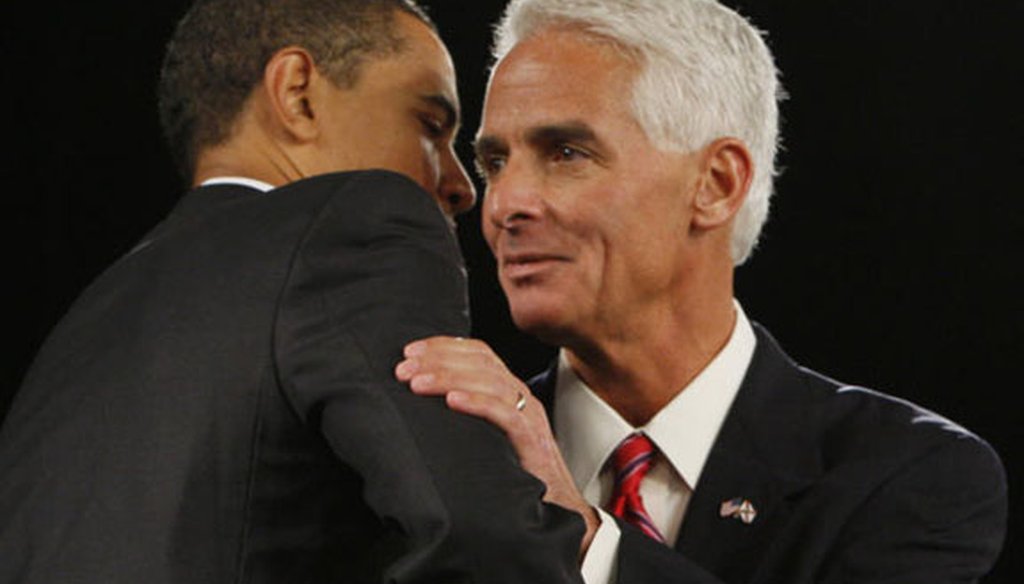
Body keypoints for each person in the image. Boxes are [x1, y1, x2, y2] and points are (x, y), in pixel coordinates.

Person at [395, 0, 1009, 582]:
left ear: (715, 184)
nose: (505, 203)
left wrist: (580, 537)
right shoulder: (432, 468)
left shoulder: (906, 476)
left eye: (566, 152)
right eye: (495, 162)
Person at [0, 1, 585, 582]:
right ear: (298, 93)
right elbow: (483, 545)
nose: (461, 188)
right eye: (430, 126)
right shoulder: (356, 224)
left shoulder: (77, 333)